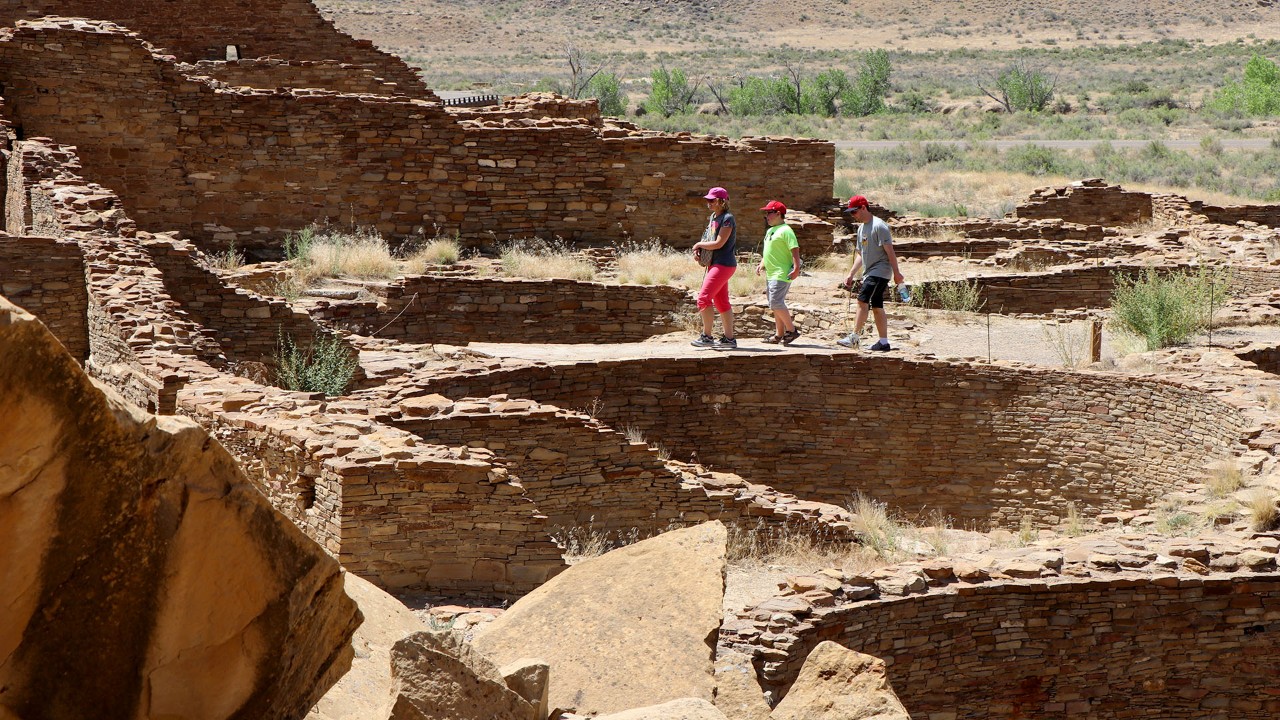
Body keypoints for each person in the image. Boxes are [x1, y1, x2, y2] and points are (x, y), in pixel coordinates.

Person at [838, 195, 904, 351]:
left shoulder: (879, 226)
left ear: (863, 207)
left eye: (854, 211)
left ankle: (854, 337)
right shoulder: (861, 228)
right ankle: (883, 342)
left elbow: (890, 252)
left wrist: (897, 274)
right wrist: (851, 273)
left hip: (880, 271)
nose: (853, 215)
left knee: (862, 301)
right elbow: (861, 253)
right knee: (877, 306)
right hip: (870, 271)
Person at [690, 186, 738, 349]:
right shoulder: (714, 217)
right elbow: (709, 238)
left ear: (720, 201)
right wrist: (700, 250)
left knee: (703, 298)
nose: (708, 203)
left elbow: (718, 243)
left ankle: (707, 336)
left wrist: (698, 244)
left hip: (723, 264)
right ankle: (729, 339)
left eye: (711, 200)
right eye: (708, 200)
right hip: (716, 264)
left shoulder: (727, 218)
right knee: (721, 301)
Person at [755, 200, 801, 345]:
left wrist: (796, 268)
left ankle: (792, 330)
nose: (767, 216)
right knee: (773, 303)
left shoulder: (786, 230)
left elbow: (795, 249)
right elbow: (768, 251)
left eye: (769, 213)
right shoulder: (770, 231)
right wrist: (762, 264)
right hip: (771, 273)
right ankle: (779, 334)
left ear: (778, 214)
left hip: (781, 273)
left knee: (775, 302)